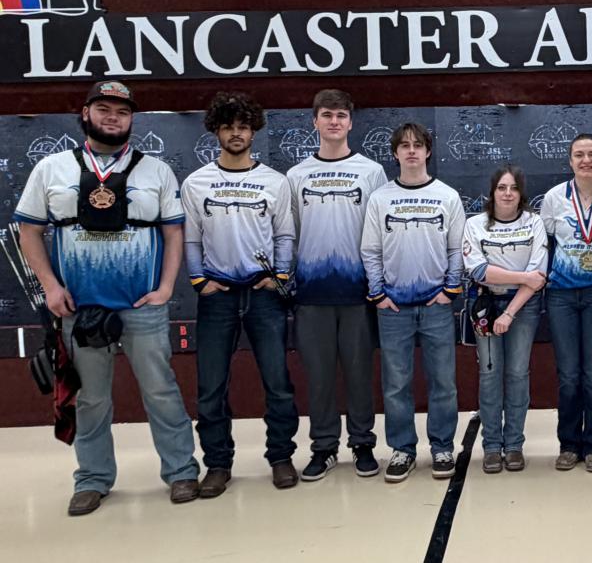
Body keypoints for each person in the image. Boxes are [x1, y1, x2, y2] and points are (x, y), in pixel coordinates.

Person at [15, 80, 200, 516]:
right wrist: (50, 286)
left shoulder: (156, 170)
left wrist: (166, 288)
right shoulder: (51, 167)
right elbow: (29, 231)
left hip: (142, 305)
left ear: (132, 118)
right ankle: (92, 479)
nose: (113, 117)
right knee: (91, 398)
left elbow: (173, 233)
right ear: (86, 113)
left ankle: (181, 472)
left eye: (122, 111)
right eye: (104, 109)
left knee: (161, 390)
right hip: (79, 308)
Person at [183, 91, 299, 496]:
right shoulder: (196, 182)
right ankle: (217, 464)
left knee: (278, 381)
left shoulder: (275, 182)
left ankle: (281, 457)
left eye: (243, 127)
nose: (236, 133)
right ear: (216, 131)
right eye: (228, 127)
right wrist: (199, 281)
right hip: (217, 294)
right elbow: (191, 238)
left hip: (263, 292)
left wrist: (279, 277)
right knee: (211, 386)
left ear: (254, 131)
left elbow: (284, 234)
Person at [286, 89, 388, 480]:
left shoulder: (371, 172)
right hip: (312, 293)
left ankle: (362, 443)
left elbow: (379, 233)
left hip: (358, 292)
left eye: (341, 116)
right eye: (327, 115)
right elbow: (291, 233)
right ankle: (324, 447)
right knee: (319, 376)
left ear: (350, 122)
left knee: (360, 374)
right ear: (314, 121)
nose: (334, 122)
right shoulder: (296, 175)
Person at [361, 122, 465, 482]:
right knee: (396, 384)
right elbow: (370, 250)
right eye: (404, 145)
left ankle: (442, 447)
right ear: (395, 153)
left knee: (443, 382)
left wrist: (449, 290)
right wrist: (378, 294)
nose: (411, 151)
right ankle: (402, 450)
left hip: (437, 304)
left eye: (417, 145)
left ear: (427, 151)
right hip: (394, 307)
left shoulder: (447, 196)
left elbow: (457, 249)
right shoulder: (380, 198)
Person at [463, 166, 549, 473]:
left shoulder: (534, 222)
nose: (508, 193)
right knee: (489, 375)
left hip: (523, 306)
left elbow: (539, 277)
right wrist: (523, 276)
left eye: (513, 188)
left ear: (521, 193)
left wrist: (510, 312)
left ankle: (513, 445)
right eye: (502, 187)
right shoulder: (474, 224)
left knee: (517, 374)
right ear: (492, 192)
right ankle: (491, 446)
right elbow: (478, 271)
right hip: (485, 304)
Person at [541, 134, 592, 473]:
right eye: (579, 155)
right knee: (569, 375)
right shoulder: (555, 197)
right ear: (570, 160)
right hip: (561, 295)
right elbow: (544, 246)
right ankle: (569, 444)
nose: (586, 160)